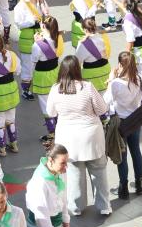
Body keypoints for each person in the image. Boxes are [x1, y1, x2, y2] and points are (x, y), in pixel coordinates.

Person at [47, 56, 110, 216]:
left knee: (75, 173)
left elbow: (50, 112)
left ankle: (76, 207)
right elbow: (102, 109)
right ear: (77, 69)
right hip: (91, 137)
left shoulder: (56, 89)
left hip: (68, 139)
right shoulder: (87, 87)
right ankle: (103, 206)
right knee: (99, 171)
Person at [106, 50, 142, 199]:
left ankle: (123, 187)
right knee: (136, 150)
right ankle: (139, 184)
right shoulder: (139, 78)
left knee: (122, 154)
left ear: (119, 64)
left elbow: (106, 101)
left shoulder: (116, 83)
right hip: (135, 119)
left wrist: (111, 79)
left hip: (121, 122)